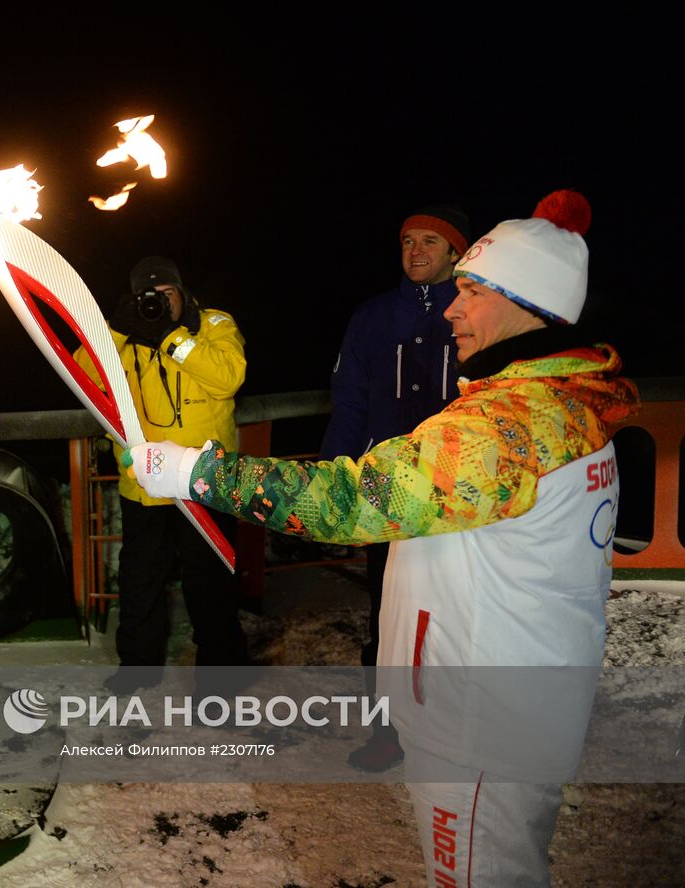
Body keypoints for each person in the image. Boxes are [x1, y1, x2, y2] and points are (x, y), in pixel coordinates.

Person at [125, 190, 639, 886]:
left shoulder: (506, 429)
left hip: (480, 724)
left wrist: (195, 469)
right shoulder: (568, 403)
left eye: (475, 292)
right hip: (515, 701)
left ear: (531, 306)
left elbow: (350, 501)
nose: (453, 308)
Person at [320, 204, 472, 771]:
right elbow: (350, 403)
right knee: (389, 617)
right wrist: (335, 483)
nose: (416, 251)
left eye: (431, 241)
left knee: (460, 617)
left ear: (456, 252)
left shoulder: (474, 313)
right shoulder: (373, 317)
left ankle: (456, 733)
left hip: (460, 496)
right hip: (389, 496)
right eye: (408, 240)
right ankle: (391, 731)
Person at [77, 256, 248, 693]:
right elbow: (82, 376)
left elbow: (228, 378)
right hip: (146, 485)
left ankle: (222, 679)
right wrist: (115, 329)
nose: (157, 303)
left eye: (166, 294)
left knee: (210, 582)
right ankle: (137, 669)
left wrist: (172, 338)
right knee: (139, 580)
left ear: (181, 291)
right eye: (147, 297)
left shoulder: (213, 324)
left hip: (204, 480)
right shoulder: (125, 336)